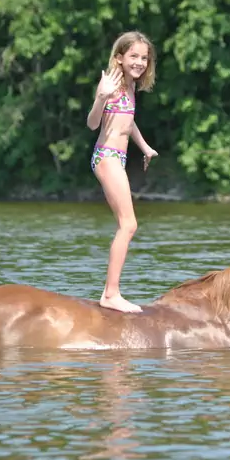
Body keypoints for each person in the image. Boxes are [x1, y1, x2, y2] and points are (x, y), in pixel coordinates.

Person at [86, 31, 158, 313]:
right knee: (128, 225)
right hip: (106, 156)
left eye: (144, 57)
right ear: (119, 57)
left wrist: (145, 147)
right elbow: (93, 123)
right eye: (134, 56)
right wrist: (100, 97)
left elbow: (128, 122)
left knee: (127, 224)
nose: (140, 62)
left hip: (119, 156)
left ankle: (111, 292)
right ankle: (110, 294)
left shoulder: (130, 86)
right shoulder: (111, 85)